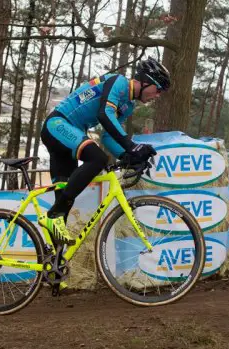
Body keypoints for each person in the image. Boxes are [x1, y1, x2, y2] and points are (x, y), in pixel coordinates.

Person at [39, 58, 171, 245]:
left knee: (63, 209)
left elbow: (108, 136)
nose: (158, 95)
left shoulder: (128, 105)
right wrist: (131, 146)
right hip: (58, 124)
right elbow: (104, 114)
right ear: (146, 80)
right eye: (158, 89)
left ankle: (51, 266)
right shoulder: (118, 82)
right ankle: (53, 215)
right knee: (98, 159)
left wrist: (127, 155)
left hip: (70, 134)